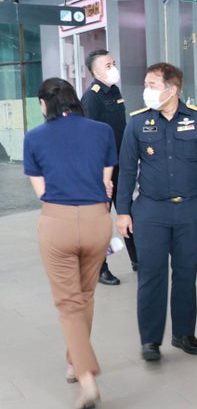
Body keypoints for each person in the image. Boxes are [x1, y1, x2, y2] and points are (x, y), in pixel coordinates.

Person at [115, 63, 197, 362]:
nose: (146, 90)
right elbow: (126, 171)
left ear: (172, 89)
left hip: (190, 210)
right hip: (150, 212)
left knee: (186, 275)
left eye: (152, 84)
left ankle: (184, 334)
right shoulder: (137, 123)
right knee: (151, 275)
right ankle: (150, 340)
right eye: (146, 84)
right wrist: (123, 211)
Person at [23, 78, 117, 409]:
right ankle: (74, 361)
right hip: (96, 221)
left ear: (43, 104)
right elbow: (106, 183)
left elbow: (41, 192)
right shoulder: (102, 131)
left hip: (58, 222)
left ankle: (88, 380)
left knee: (68, 303)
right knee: (85, 295)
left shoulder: (33, 137)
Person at [80, 49, 138, 286]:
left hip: (119, 164)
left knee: (127, 212)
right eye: (107, 65)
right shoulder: (91, 97)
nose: (113, 67)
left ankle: (138, 259)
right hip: (102, 169)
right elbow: (88, 135)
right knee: (101, 221)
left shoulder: (114, 91)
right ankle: (100, 268)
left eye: (113, 63)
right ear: (94, 71)